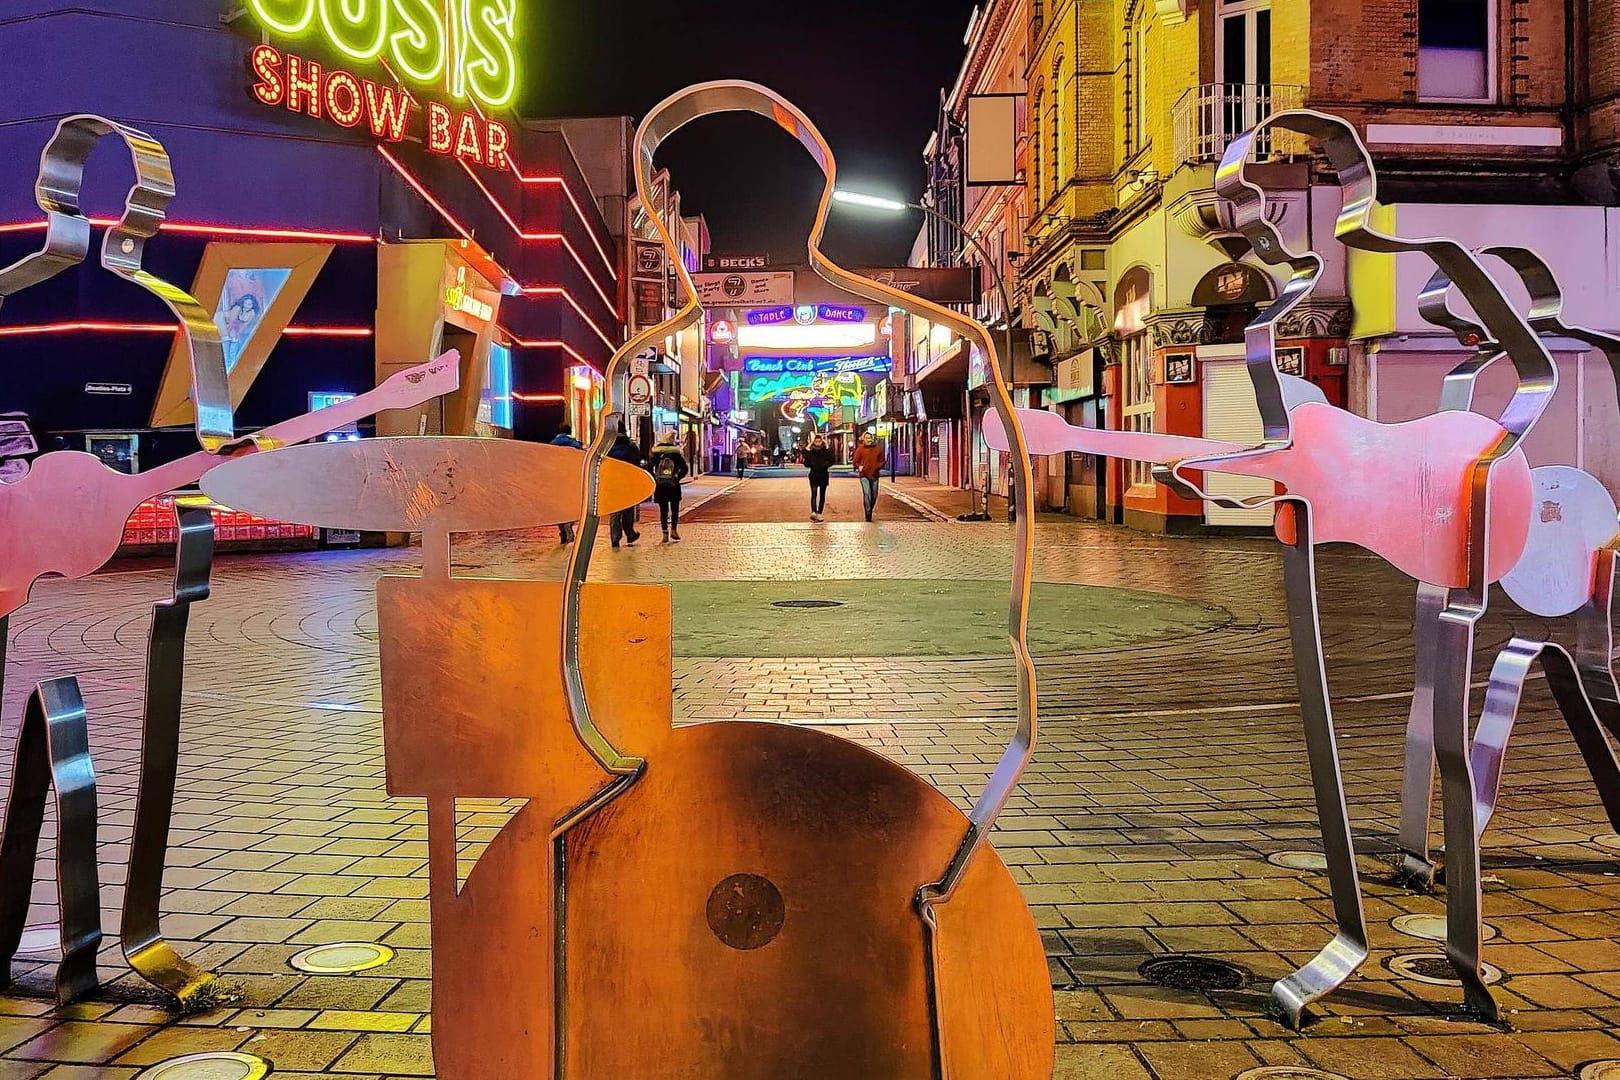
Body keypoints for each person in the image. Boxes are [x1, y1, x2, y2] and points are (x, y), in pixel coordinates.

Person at [648, 430, 690, 542]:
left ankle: (665, 533)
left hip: (660, 485)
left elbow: (648, 467)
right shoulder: (676, 452)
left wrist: (655, 478)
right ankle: (674, 530)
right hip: (673, 485)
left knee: (663, 509)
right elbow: (685, 468)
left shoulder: (656, 452)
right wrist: (677, 477)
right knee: (675, 509)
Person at [606, 432, 644, 548]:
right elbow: (637, 463)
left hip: (613, 482)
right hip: (628, 482)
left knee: (615, 510)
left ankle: (615, 537)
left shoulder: (608, 446)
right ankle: (630, 533)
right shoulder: (630, 446)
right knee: (628, 509)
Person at [549, 423, 585, 544]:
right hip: (571, 477)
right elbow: (581, 450)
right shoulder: (572, 443)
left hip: (557, 478)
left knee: (560, 506)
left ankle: (563, 532)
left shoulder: (553, 443)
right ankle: (569, 524)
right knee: (572, 503)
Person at [852, 431, 887, 522]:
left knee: (874, 495)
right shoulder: (860, 449)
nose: (869, 440)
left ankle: (870, 508)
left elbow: (882, 461)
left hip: (875, 474)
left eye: (870, 438)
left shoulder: (878, 449)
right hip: (864, 475)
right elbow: (855, 461)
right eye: (867, 438)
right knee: (867, 494)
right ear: (863, 439)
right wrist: (859, 466)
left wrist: (877, 467)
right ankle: (868, 513)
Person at [802, 433, 834, 522]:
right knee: (814, 493)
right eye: (816, 441)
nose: (817, 443)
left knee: (822, 495)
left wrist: (825, 465)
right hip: (814, 475)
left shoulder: (825, 451)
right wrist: (809, 447)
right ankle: (813, 512)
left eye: (819, 441)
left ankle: (820, 513)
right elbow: (806, 463)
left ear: (822, 441)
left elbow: (832, 460)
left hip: (823, 474)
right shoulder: (811, 451)